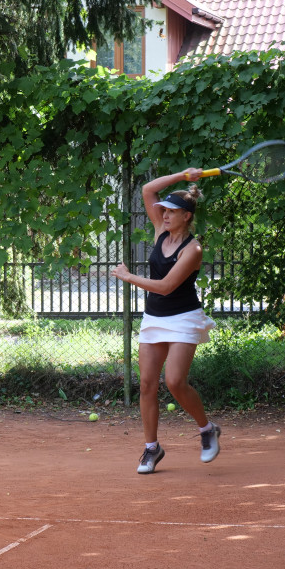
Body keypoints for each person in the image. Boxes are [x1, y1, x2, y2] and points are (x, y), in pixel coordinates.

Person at [112, 168, 220, 474]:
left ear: (186, 216)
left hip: (184, 317)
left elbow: (167, 286)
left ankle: (207, 429)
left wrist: (128, 276)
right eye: (164, 211)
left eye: (172, 211)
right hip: (155, 318)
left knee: (174, 381)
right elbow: (148, 190)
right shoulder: (161, 230)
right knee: (146, 384)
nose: (165, 214)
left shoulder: (193, 249)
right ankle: (151, 448)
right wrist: (183, 176)